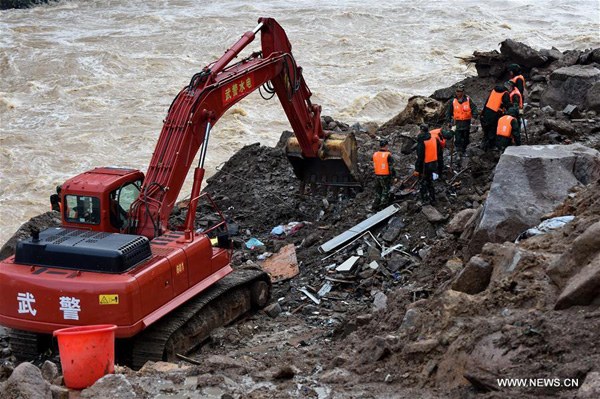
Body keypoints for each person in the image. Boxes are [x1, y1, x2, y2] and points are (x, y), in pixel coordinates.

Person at [445, 84, 478, 166]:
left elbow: (474, 109)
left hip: (466, 122)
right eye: (457, 91)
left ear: (463, 92)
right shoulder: (452, 101)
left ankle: (465, 149)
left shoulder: (468, 99)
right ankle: (459, 152)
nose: (458, 93)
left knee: (466, 136)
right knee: (458, 137)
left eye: (460, 91)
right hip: (458, 123)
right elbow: (448, 112)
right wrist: (448, 121)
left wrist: (474, 117)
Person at [414, 124, 442, 204]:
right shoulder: (433, 138)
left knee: (423, 182)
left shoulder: (422, 141)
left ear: (421, 131)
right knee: (430, 182)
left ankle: (424, 199)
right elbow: (438, 150)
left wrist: (417, 169)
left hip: (425, 165)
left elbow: (420, 157)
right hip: (433, 164)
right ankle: (433, 199)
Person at [480, 83, 511, 151]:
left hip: (486, 112)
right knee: (492, 130)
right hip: (495, 114)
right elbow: (507, 105)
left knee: (486, 130)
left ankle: (484, 145)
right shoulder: (505, 93)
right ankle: (490, 147)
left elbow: (487, 101)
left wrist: (483, 113)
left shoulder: (494, 90)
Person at [372, 139, 396, 210]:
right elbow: (391, 167)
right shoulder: (387, 155)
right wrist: (394, 176)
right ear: (386, 146)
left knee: (378, 190)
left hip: (377, 174)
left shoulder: (375, 154)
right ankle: (382, 207)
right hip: (385, 175)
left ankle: (375, 204)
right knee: (385, 190)